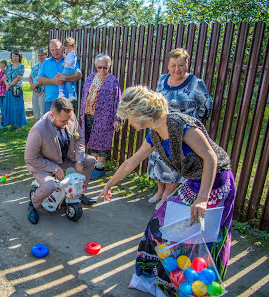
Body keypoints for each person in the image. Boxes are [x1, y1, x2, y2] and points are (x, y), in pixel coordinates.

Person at [98, 86, 236, 297]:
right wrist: (110, 184)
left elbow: (210, 158)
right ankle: (160, 280)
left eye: (130, 118)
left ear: (141, 113)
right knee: (159, 227)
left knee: (207, 238)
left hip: (215, 183)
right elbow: (132, 162)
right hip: (194, 182)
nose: (130, 124)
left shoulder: (181, 125)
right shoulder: (155, 134)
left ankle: (203, 289)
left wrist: (202, 199)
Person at [148, 48, 213, 210]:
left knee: (174, 164)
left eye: (181, 65)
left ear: (187, 64)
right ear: (168, 65)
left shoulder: (195, 83)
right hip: (161, 129)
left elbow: (206, 106)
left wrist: (191, 121)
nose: (177, 69)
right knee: (158, 158)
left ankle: (166, 196)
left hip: (182, 133)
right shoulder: (162, 80)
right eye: (173, 65)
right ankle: (159, 190)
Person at [25, 97, 97, 224]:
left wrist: (79, 160)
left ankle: (78, 194)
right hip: (43, 164)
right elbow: (30, 158)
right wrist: (54, 168)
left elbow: (79, 139)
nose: (67, 123)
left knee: (90, 161)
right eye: (63, 121)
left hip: (65, 158)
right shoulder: (38, 129)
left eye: (69, 119)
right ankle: (34, 204)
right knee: (49, 185)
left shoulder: (70, 117)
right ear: (52, 115)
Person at [80, 53, 121, 180]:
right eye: (99, 67)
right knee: (92, 141)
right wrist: (82, 113)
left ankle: (100, 167)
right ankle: (93, 166)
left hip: (105, 117)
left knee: (102, 142)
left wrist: (117, 118)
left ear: (109, 67)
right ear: (95, 67)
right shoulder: (91, 77)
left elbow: (118, 100)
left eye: (105, 67)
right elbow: (84, 95)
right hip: (89, 114)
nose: (102, 70)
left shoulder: (113, 80)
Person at [38, 39, 82, 113]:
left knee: (67, 124)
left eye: (57, 49)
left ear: (62, 48)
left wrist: (65, 78)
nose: (55, 52)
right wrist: (53, 81)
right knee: (50, 124)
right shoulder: (46, 62)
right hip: (50, 101)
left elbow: (79, 75)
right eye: (52, 50)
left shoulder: (70, 59)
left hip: (67, 101)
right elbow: (40, 80)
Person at [1, 50, 27, 129]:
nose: (14, 58)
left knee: (17, 107)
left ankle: (19, 126)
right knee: (10, 107)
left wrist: (10, 84)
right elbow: (5, 76)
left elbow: (18, 78)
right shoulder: (8, 66)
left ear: (19, 57)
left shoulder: (21, 66)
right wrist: (6, 84)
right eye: (13, 56)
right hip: (8, 89)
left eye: (16, 56)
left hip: (16, 90)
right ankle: (12, 124)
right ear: (11, 57)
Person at [29, 48, 47, 122]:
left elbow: (46, 78)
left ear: (46, 55)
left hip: (43, 91)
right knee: (36, 112)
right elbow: (30, 77)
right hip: (35, 91)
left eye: (42, 55)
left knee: (42, 112)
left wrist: (35, 85)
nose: (40, 57)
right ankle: (36, 130)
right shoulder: (35, 66)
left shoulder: (47, 65)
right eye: (39, 55)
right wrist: (32, 85)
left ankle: (43, 131)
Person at [59, 37, 77, 101]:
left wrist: (65, 63)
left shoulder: (72, 54)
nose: (67, 50)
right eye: (66, 48)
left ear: (73, 47)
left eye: (69, 48)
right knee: (68, 82)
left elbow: (71, 61)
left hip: (68, 68)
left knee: (61, 78)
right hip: (70, 68)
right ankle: (71, 95)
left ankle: (60, 92)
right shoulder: (70, 54)